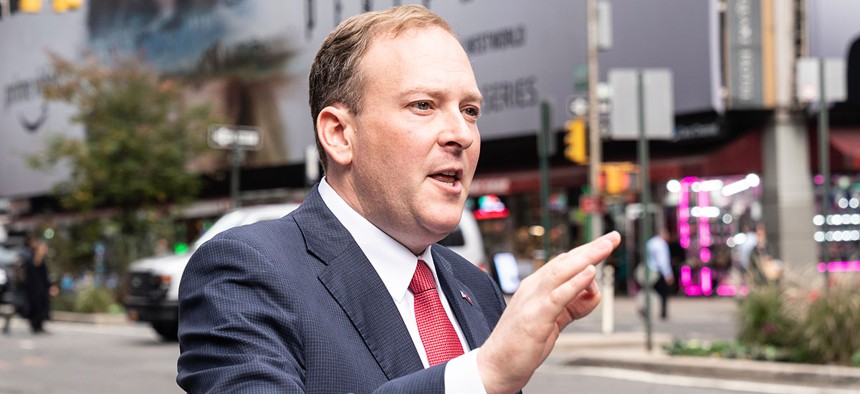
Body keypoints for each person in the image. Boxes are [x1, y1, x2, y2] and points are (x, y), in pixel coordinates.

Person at [176, 5, 620, 393]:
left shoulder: (478, 290)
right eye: (424, 105)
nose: (462, 134)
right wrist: (481, 375)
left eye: (470, 110)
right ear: (339, 134)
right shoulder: (245, 270)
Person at [22, 234, 52, 334]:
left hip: (42, 289)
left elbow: (45, 276)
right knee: (34, 306)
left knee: (43, 306)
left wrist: (50, 287)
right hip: (32, 289)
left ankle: (39, 325)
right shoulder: (30, 259)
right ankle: (35, 325)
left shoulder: (43, 262)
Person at [645, 228, 674, 320]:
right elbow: (663, 261)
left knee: (650, 291)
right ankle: (663, 313)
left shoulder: (650, 242)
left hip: (650, 270)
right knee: (664, 294)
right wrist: (668, 274)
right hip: (659, 271)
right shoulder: (661, 245)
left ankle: (647, 309)